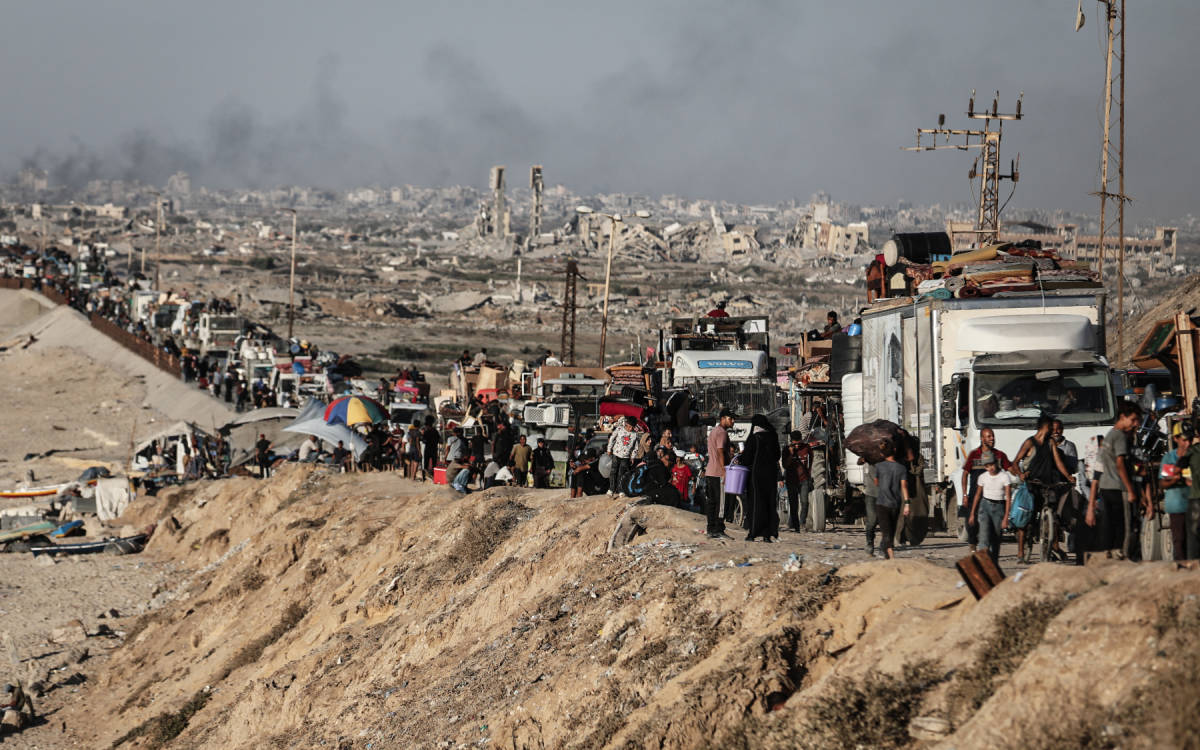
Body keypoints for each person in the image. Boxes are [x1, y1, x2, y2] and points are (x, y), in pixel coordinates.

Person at [1089, 402, 1147, 558]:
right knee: (1125, 528)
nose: (1136, 424)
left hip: (1106, 489)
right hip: (1118, 488)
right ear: (1123, 417)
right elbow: (1120, 463)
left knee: (1110, 527)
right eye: (1133, 419)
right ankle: (1123, 556)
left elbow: (1098, 471)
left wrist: (1091, 504)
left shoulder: (1109, 435)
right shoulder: (1120, 436)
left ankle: (1111, 556)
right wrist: (1130, 490)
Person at [1012, 415, 1074, 563]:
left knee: (1053, 517)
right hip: (1031, 485)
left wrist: (1068, 476)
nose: (1053, 430)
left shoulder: (1050, 442)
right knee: (1025, 521)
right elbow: (1014, 463)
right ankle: (1021, 553)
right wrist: (1020, 474)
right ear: (1044, 427)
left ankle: (1053, 547)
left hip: (1047, 484)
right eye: (1050, 427)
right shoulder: (1029, 443)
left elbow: (1058, 463)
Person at [960, 428, 1012, 553]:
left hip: (995, 497)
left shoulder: (999, 455)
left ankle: (987, 550)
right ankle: (973, 545)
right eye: (988, 437)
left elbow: (1010, 468)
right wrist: (965, 495)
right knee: (973, 523)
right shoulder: (974, 454)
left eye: (992, 436)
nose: (992, 439)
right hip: (976, 495)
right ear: (982, 439)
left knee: (992, 527)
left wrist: (1021, 473)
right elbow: (965, 474)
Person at [741, 414, 781, 542]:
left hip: (756, 475)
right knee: (770, 503)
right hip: (771, 475)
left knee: (756, 503)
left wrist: (741, 458)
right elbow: (777, 456)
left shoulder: (754, 438)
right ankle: (767, 533)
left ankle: (753, 532)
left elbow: (747, 458)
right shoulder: (773, 436)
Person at [969, 452, 1012, 564]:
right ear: (985, 467)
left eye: (992, 465)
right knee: (984, 537)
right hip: (985, 507)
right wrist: (973, 513)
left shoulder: (1004, 477)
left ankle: (994, 564)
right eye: (987, 466)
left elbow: (1008, 497)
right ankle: (983, 565)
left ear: (996, 463)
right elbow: (978, 495)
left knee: (996, 539)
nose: (990, 468)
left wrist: (1006, 517)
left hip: (999, 507)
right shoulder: (982, 477)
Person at [873, 441, 911, 560]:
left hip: (881, 504)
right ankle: (888, 555)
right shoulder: (901, 468)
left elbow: (876, 483)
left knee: (886, 532)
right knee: (891, 531)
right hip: (895, 504)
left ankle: (890, 556)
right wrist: (907, 504)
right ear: (894, 451)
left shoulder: (878, 466)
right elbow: (904, 487)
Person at [1160, 423, 1192, 561]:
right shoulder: (1169, 458)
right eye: (1184, 440)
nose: (1188, 443)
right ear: (1176, 439)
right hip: (1177, 507)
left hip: (1193, 505)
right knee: (1179, 541)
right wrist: (1176, 479)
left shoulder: (1194, 456)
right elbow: (1163, 483)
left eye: (1190, 439)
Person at [704, 409, 735, 539]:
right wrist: (724, 471)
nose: (733, 421)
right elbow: (721, 451)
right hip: (718, 473)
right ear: (723, 418)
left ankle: (710, 529)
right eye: (730, 418)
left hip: (710, 472)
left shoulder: (714, 432)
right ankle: (719, 529)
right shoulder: (722, 433)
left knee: (712, 502)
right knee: (720, 503)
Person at [781, 430, 812, 532]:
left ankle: (802, 522)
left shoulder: (806, 448)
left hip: (804, 479)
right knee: (794, 504)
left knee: (804, 502)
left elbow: (811, 459)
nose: (797, 445)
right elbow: (785, 465)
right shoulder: (786, 449)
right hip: (791, 480)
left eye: (799, 443)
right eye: (795, 443)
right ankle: (793, 523)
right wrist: (791, 453)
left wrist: (809, 472)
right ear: (791, 442)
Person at [606, 417, 639, 497]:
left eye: (632, 427)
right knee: (613, 471)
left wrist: (633, 457)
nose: (630, 428)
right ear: (626, 424)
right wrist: (609, 448)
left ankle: (621, 490)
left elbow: (636, 447)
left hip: (626, 456)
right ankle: (611, 489)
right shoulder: (619, 429)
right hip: (616, 453)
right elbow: (612, 438)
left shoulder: (634, 435)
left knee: (621, 473)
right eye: (629, 426)